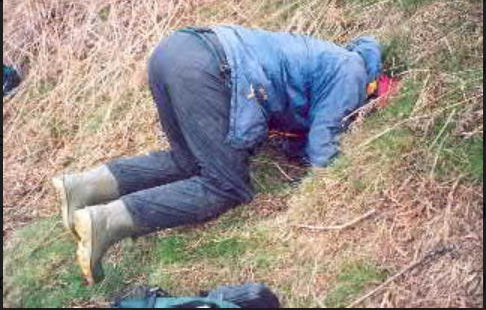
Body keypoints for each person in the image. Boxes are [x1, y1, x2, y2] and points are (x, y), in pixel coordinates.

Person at [52, 26, 383, 285]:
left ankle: (83, 187)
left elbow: (296, 129)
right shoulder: (352, 73)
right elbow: (323, 146)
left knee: (190, 162)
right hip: (208, 67)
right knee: (224, 186)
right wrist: (336, 184)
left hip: (176, 52)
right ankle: (105, 222)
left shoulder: (326, 58)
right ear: (375, 85)